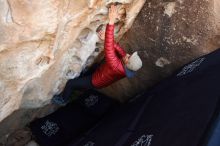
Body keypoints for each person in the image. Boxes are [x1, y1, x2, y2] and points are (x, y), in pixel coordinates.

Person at [52, 4, 142, 105]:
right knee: (83, 76)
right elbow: (120, 50)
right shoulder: (126, 66)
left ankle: (63, 99)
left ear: (127, 63)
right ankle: (79, 89)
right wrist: (107, 39)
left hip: (95, 81)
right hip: (101, 75)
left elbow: (109, 48)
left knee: (71, 83)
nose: (128, 54)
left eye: (129, 57)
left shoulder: (115, 66)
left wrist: (111, 21)